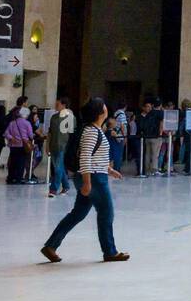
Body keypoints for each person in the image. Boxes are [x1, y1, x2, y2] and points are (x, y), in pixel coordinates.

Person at [41, 97, 129, 264]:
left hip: (94, 175)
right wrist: (88, 182)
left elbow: (95, 156)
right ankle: (110, 251)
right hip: (94, 178)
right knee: (106, 213)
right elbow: (85, 157)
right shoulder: (91, 131)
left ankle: (51, 246)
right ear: (100, 112)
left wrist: (109, 170)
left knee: (77, 214)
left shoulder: (95, 130)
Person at [47, 97, 76, 197]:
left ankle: (53, 189)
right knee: (60, 167)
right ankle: (66, 186)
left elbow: (72, 133)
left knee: (58, 168)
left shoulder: (70, 117)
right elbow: (50, 133)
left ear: (64, 105)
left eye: (58, 104)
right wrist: (47, 146)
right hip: (53, 145)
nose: (56, 106)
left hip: (63, 146)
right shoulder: (53, 117)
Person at [4, 107, 35, 184]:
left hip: (13, 146)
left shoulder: (12, 123)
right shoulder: (27, 123)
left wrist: (11, 138)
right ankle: (19, 178)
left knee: (13, 162)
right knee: (21, 162)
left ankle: (11, 178)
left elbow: (6, 133)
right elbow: (31, 135)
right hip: (23, 145)